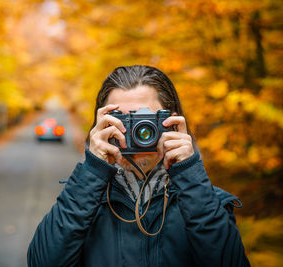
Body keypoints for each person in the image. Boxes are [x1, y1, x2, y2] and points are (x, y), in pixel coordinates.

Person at [27, 65, 250, 266]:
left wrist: (189, 173)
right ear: (101, 126)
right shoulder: (84, 199)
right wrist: (92, 171)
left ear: (172, 122)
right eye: (122, 121)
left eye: (147, 120)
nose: (136, 132)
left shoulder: (203, 199)